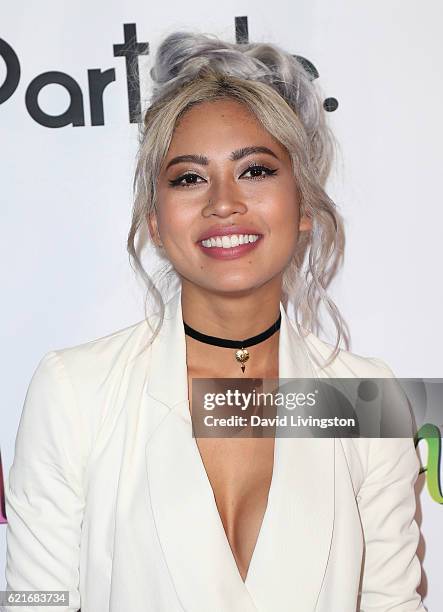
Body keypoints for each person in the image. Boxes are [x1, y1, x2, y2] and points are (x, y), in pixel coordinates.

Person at [4, 31, 426, 612]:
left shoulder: (360, 400)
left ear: (303, 207)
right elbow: (34, 603)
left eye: (254, 171)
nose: (223, 202)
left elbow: (393, 603)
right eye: (188, 177)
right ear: (154, 220)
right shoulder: (77, 390)